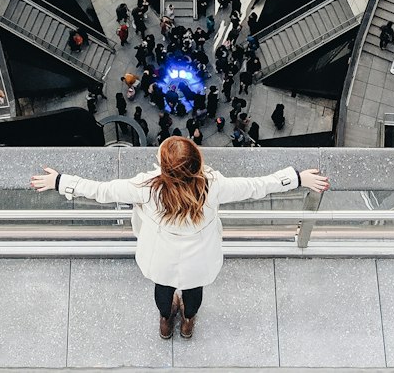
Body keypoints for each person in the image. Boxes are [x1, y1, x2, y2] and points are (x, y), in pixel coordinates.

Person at [31, 139, 327, 339]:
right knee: (194, 290)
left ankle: (166, 322)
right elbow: (257, 186)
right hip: (199, 259)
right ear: (199, 162)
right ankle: (187, 323)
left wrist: (59, 181)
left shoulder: (145, 188)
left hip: (160, 257)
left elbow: (101, 191)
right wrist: (298, 178)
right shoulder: (214, 187)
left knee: (163, 287)